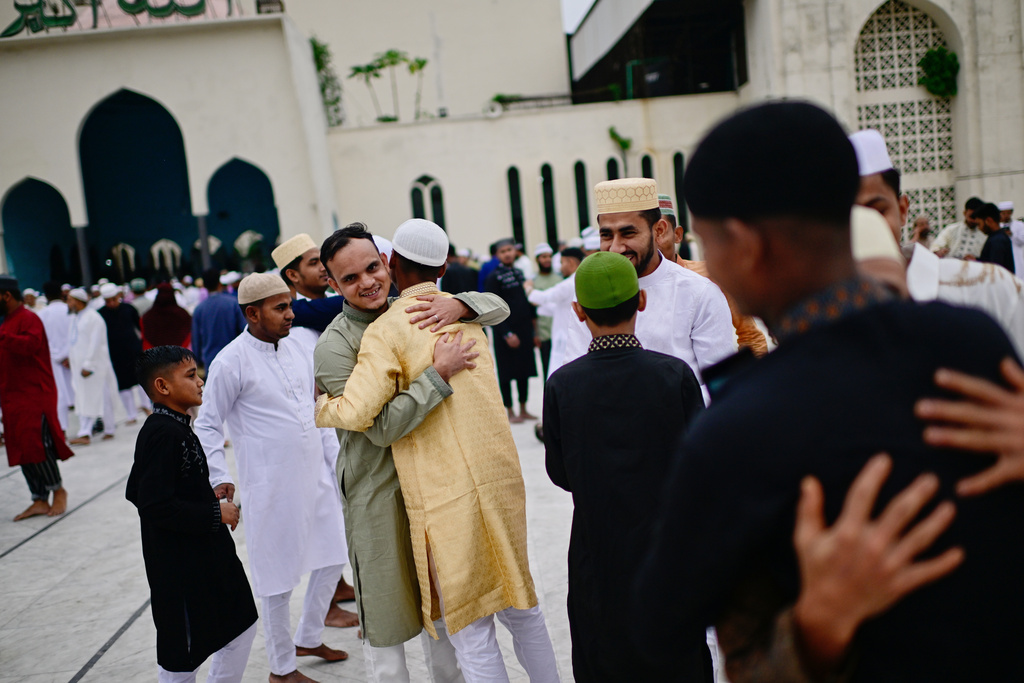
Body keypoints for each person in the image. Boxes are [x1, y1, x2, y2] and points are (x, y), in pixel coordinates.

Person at [635, 100, 1024, 681]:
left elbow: (655, 633)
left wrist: (815, 625)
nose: (708, 262)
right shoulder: (973, 346)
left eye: (708, 243)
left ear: (745, 244)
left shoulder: (739, 429)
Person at [315, 219, 559, 683]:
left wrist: (461, 300)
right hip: (388, 499)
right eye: (350, 278)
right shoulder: (337, 344)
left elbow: (499, 306)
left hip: (437, 496)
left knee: (464, 628)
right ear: (332, 284)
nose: (367, 281)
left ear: (387, 262)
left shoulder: (415, 318)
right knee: (403, 638)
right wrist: (438, 372)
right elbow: (382, 427)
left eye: (371, 268)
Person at [543, 252, 708, 682]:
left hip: (597, 554)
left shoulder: (563, 385)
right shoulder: (674, 376)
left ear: (578, 312)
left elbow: (560, 473)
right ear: (641, 302)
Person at [195, 273, 350, 683]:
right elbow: (208, 425)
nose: (290, 314)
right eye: (280, 307)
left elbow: (317, 409)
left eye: (290, 305)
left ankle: (310, 635)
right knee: (276, 578)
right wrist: (218, 476)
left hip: (315, 473)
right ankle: (282, 669)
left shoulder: (300, 346)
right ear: (252, 313)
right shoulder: (231, 361)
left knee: (335, 551)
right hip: (271, 486)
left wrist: (337, 467)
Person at [126, 346, 258, 683]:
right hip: (181, 570)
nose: (201, 382)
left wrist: (202, 494)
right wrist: (216, 512)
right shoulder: (162, 433)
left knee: (239, 626)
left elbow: (139, 488)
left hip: (204, 558)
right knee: (182, 659)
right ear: (163, 386)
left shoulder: (175, 427)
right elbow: (152, 504)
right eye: (190, 375)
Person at [849, 128, 1024, 358]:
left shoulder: (990, 290)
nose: (866, 226)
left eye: (877, 212)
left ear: (902, 210)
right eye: (847, 218)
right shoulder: (819, 326)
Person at [565, 178, 737, 401]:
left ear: (659, 230)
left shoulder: (699, 293)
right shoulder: (589, 293)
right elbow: (574, 373)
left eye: (628, 233)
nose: (615, 248)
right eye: (606, 235)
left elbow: (721, 387)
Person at [270, 233, 360, 625]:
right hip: (312, 423)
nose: (322, 268)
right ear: (292, 274)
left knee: (339, 508)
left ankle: (337, 587)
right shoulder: (289, 318)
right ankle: (325, 605)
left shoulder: (312, 309)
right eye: (312, 263)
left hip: (336, 418)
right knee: (325, 511)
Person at [656, 193, 769, 357]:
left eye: (660, 232)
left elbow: (750, 336)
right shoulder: (633, 284)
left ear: (677, 235)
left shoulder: (708, 276)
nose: (653, 243)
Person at [0, 276, 74, 521]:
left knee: (37, 445)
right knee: (21, 447)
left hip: (33, 394)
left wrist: (3, 338)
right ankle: (39, 498)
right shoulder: (6, 322)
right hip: (12, 396)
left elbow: (30, 345)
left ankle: (57, 489)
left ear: (6, 296)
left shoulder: (29, 319)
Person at [485, 238, 538, 423]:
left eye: (510, 250)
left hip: (524, 331)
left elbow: (528, 303)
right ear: (497, 255)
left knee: (524, 370)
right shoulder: (493, 277)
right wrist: (506, 333)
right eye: (503, 251)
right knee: (507, 372)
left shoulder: (519, 273)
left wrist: (534, 331)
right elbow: (492, 309)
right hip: (505, 334)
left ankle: (524, 408)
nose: (507, 253)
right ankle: (510, 411)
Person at [66, 287, 117, 445]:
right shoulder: (76, 318)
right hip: (79, 367)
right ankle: (87, 431)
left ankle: (104, 429)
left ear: (78, 301)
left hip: (94, 367)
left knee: (102, 397)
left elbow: (96, 344)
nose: (67, 303)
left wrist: (89, 364)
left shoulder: (93, 318)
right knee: (85, 398)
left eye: (69, 300)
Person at [527, 247, 584, 379]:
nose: (560, 267)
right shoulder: (581, 279)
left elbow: (544, 297)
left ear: (570, 262)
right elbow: (559, 307)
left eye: (562, 263)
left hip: (564, 336)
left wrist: (528, 288)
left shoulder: (569, 283)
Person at [97, 282, 150, 423]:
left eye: (114, 299)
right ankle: (131, 414)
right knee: (123, 385)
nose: (112, 303)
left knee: (141, 379)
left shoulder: (129, 308)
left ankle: (146, 406)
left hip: (134, 350)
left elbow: (140, 328)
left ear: (118, 296)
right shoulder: (100, 314)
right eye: (108, 301)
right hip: (115, 354)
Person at [191, 267, 247, 372]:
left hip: (211, 362)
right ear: (219, 283)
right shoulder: (233, 303)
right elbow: (244, 330)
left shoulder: (199, 309)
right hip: (235, 358)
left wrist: (198, 360)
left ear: (205, 286)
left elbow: (196, 340)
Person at [37, 280, 74, 432]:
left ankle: (62, 429)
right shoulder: (70, 309)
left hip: (53, 360)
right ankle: (92, 426)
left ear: (45, 296)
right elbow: (75, 334)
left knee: (59, 395)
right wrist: (67, 355)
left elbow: (41, 339)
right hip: (72, 357)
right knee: (81, 391)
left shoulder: (41, 315)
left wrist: (58, 356)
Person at [530, 243, 562, 379]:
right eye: (543, 257)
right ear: (537, 259)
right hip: (544, 333)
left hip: (560, 332)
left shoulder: (560, 278)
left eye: (549, 256)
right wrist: (535, 334)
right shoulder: (533, 281)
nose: (547, 259)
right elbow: (532, 311)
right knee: (548, 372)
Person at [142, 283, 192, 350]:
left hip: (155, 355)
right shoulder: (183, 314)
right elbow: (188, 335)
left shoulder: (148, 316)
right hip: (178, 354)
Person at [976, 201, 1016, 273]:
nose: (979, 228)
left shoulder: (997, 240)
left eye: (979, 224)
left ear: (988, 220)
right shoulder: (996, 237)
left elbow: (995, 269)